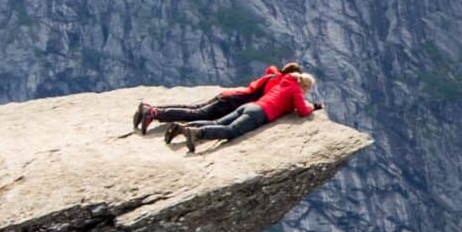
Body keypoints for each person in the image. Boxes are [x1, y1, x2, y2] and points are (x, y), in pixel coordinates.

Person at [165, 62, 322, 153]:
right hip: (259, 114)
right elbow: (302, 110)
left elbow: (274, 76)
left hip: (250, 106)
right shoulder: (295, 90)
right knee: (231, 131)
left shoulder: (283, 82)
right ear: (304, 86)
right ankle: (197, 133)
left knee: (219, 123)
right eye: (307, 89)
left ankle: (182, 128)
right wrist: (313, 107)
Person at [132, 65, 285, 135]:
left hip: (230, 95)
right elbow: (268, 100)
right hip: (232, 102)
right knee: (197, 114)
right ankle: (154, 112)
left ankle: (150, 109)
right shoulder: (278, 83)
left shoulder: (274, 75)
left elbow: (271, 68)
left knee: (194, 109)